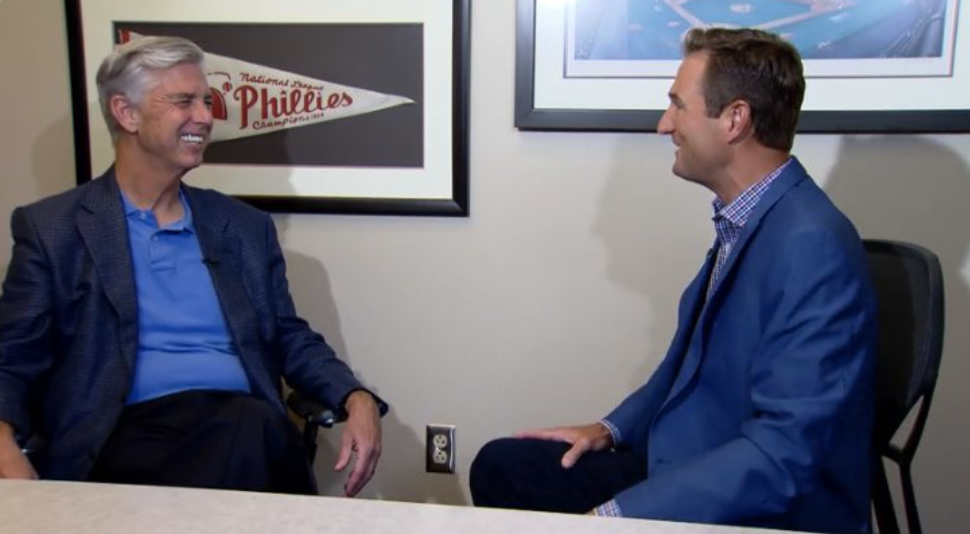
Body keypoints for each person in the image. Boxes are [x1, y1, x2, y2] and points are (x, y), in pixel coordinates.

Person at [470, 27, 876, 533]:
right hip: (694, 457)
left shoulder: (811, 244)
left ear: (734, 120)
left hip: (765, 504)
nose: (664, 125)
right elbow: (686, 370)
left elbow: (783, 455)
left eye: (678, 106)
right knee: (504, 467)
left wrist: (614, 517)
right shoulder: (751, 220)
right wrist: (609, 429)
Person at [0, 36, 385, 496]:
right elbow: (13, 356)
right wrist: (6, 453)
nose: (204, 117)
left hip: (240, 430)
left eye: (206, 101)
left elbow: (286, 334)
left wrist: (353, 396)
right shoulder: (53, 229)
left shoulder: (241, 227)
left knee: (248, 428)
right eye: (184, 102)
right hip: (120, 437)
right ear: (126, 113)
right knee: (250, 433)